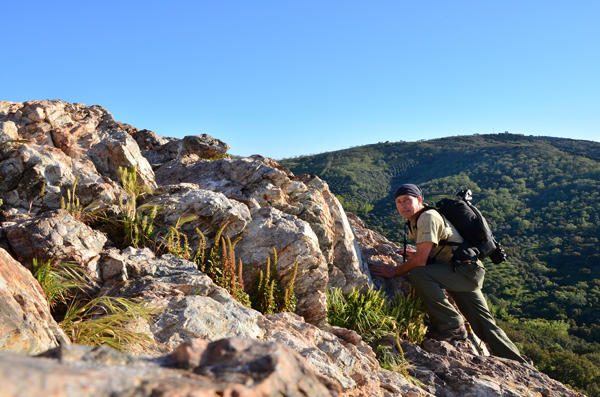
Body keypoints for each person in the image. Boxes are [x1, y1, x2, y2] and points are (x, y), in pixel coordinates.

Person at [371, 183, 526, 363]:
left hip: (462, 272)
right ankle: (519, 361)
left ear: (419, 200)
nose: (403, 205)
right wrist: (421, 252)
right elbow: (442, 244)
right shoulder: (420, 217)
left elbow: (420, 262)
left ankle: (450, 324)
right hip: (464, 269)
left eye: (407, 200)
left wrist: (392, 271)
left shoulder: (427, 217)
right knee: (485, 324)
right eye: (399, 202)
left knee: (419, 274)